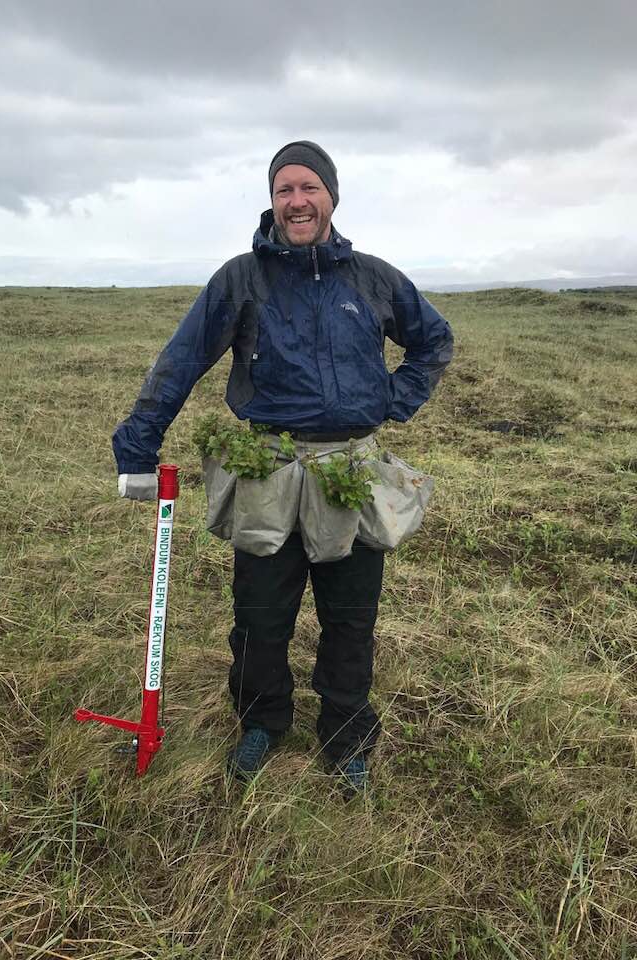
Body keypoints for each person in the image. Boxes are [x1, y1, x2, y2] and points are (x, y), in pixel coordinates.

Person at [113, 141, 453, 794]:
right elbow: (181, 359)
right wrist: (137, 449)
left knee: (351, 616)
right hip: (265, 467)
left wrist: (393, 399)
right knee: (261, 617)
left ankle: (345, 732)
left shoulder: (375, 279)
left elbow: (433, 339)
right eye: (283, 190)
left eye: (308, 188)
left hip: (350, 472)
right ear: (272, 202)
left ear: (331, 196)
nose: (296, 201)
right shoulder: (242, 279)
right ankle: (262, 722)